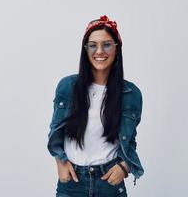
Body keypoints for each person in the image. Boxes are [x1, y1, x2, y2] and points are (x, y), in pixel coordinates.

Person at [47, 15, 144, 197]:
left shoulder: (132, 94)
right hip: (71, 183)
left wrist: (125, 166)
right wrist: (60, 162)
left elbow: (129, 141)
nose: (99, 51)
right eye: (93, 45)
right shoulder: (67, 87)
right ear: (85, 50)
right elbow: (55, 130)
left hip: (110, 184)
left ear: (116, 49)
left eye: (107, 44)